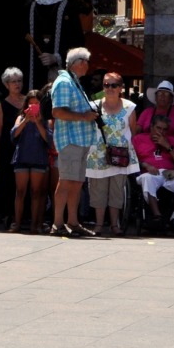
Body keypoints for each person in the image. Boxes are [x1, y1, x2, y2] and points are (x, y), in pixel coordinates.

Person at [49, 47, 100, 237]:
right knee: (66, 181)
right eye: (85, 61)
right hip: (70, 140)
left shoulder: (74, 82)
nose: (87, 65)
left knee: (76, 183)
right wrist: (84, 116)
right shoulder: (64, 82)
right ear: (78, 63)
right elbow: (57, 112)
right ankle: (57, 224)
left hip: (80, 140)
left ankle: (73, 222)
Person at [85, 73, 139, 236]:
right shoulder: (93, 106)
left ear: (121, 88)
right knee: (98, 190)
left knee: (117, 190)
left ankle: (115, 225)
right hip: (98, 154)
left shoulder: (130, 107)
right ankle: (99, 224)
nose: (109, 88)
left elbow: (133, 131)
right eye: (106, 85)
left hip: (120, 155)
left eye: (113, 85)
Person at [27, 0, 85, 93]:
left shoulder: (69, 9)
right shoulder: (29, 9)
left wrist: (57, 57)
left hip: (60, 78)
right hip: (32, 78)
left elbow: (78, 45)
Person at [9, 91, 50, 233]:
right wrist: (25, 120)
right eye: (30, 103)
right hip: (22, 158)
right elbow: (13, 134)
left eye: (36, 103)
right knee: (20, 192)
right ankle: (17, 223)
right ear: (26, 104)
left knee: (36, 192)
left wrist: (37, 122)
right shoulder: (20, 117)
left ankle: (35, 224)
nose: (33, 106)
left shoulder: (44, 119)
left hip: (38, 159)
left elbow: (48, 139)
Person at [0, 67, 27, 227]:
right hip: (7, 148)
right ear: (6, 85)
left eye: (19, 81)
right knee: (7, 182)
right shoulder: (1, 105)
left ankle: (24, 216)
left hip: (26, 146)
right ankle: (8, 215)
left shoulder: (28, 101)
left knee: (24, 183)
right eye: (13, 82)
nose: (17, 84)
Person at [132, 114, 174, 229]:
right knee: (148, 178)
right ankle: (157, 216)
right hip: (148, 173)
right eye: (158, 128)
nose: (161, 132)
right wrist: (145, 164)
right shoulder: (138, 139)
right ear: (151, 127)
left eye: (165, 129)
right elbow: (131, 160)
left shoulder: (171, 140)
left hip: (169, 173)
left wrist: (167, 146)